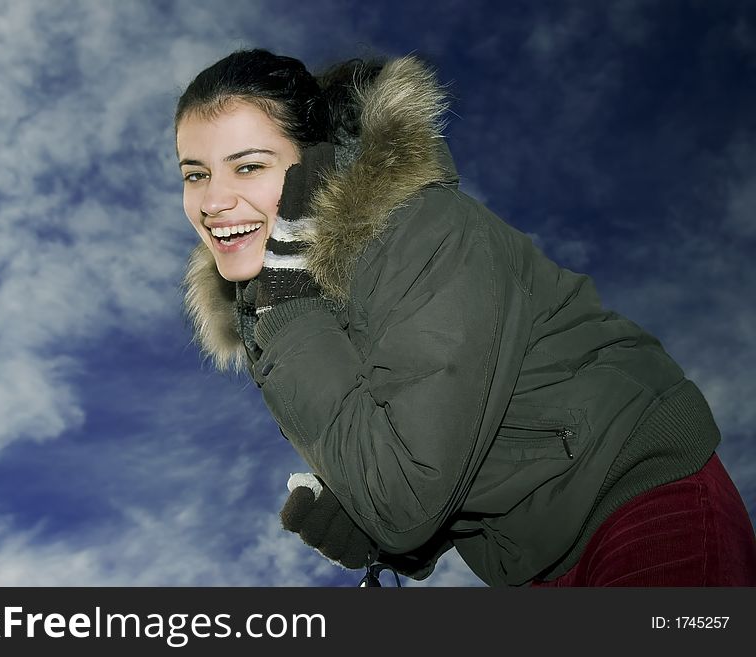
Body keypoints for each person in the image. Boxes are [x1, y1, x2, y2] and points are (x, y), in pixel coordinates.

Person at [173, 48, 756, 586]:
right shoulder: (273, 304)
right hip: (534, 563)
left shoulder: (420, 233)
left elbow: (406, 497)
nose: (213, 200)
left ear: (318, 164)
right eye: (195, 173)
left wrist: (390, 515)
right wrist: (373, 527)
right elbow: (424, 455)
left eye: (248, 166)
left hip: (642, 502)